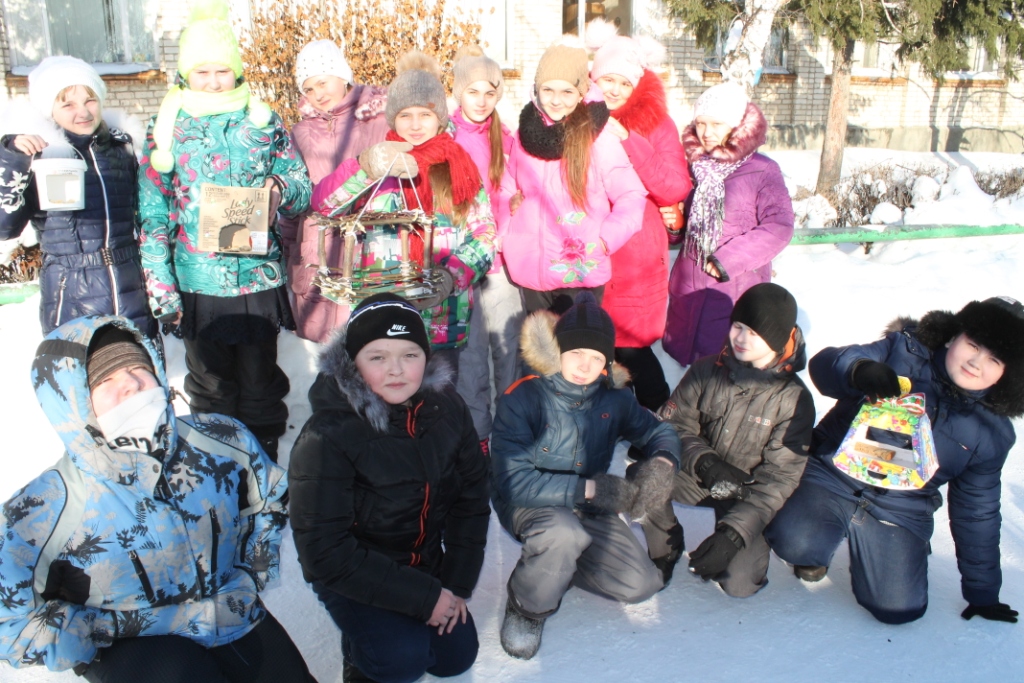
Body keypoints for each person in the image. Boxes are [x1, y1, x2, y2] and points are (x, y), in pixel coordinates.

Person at [0, 315, 315, 682]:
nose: (131, 385)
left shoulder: (222, 440)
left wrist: (251, 573)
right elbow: (11, 623)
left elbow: (268, 499)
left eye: (138, 368)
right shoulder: (43, 509)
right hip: (133, 645)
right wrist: (96, 630)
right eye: (104, 381)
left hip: (231, 613)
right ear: (72, 404)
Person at [765, 296, 1024, 625]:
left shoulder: (991, 432)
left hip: (901, 506)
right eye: (972, 345)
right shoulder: (903, 350)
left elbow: (977, 512)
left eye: (994, 360)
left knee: (900, 609)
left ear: (1005, 375)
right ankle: (814, 546)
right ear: (953, 336)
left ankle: (894, 548)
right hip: (832, 474)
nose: (976, 362)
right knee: (794, 540)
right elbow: (826, 364)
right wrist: (858, 370)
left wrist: (982, 592)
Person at [137, 0, 311, 461]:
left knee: (260, 385)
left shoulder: (263, 120)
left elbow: (301, 186)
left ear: (236, 71)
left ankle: (264, 468)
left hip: (257, 279)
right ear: (185, 74)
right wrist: (162, 291)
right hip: (199, 283)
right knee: (211, 388)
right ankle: (220, 469)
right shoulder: (167, 128)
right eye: (202, 72)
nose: (214, 81)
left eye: (222, 71)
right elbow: (153, 216)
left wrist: (278, 188)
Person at [288, 293, 490, 683]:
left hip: (423, 562)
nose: (396, 370)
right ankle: (358, 651)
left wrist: (454, 586)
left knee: (454, 658)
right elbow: (324, 552)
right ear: (352, 363)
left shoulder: (447, 410)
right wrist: (426, 599)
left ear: (426, 358)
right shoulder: (327, 435)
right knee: (399, 661)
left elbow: (471, 500)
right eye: (377, 357)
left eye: (409, 355)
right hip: (354, 571)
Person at [490, 291, 680, 660]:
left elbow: (659, 431)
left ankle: (556, 565)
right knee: (562, 534)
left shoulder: (614, 398)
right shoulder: (524, 397)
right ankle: (527, 606)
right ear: (558, 349)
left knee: (640, 584)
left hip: (587, 505)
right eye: (576, 352)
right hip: (531, 502)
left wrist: (663, 462)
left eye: (596, 357)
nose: (584, 365)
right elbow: (515, 482)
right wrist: (592, 489)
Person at [312, 51, 496, 365]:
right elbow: (325, 205)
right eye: (405, 115)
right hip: (381, 318)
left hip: (441, 319)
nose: (415, 125)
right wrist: (365, 168)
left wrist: (451, 276)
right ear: (393, 118)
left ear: (439, 117)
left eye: (425, 114)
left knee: (439, 393)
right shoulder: (378, 165)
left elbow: (484, 235)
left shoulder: (459, 167)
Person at [638, 283, 814, 597]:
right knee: (646, 474)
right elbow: (671, 426)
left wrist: (733, 535)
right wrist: (705, 461)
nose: (741, 338)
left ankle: (739, 542)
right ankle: (666, 546)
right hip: (699, 474)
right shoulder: (707, 369)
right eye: (738, 326)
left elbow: (779, 479)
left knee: (740, 585)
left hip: (748, 492)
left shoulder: (793, 400)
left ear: (776, 339)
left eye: (754, 333)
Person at [0, 56, 155, 337]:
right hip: (70, 292)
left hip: (131, 286)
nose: (83, 112)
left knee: (138, 361)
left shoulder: (123, 149)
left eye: (90, 100)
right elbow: (4, 227)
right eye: (68, 104)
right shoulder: (40, 156)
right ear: (49, 110)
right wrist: (13, 159)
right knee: (82, 362)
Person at [586, 19, 691, 411]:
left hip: (635, 254)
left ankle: (659, 421)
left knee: (631, 348)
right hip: (590, 249)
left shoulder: (656, 123)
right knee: (594, 349)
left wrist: (630, 140)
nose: (614, 90)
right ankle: (611, 424)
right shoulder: (578, 119)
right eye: (607, 79)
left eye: (624, 83)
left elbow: (674, 186)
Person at [498, 38, 646, 314]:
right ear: (537, 89)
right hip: (530, 271)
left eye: (567, 91)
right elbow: (507, 187)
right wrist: (506, 233)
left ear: (581, 93)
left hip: (579, 276)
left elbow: (632, 195)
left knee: (574, 343)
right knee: (538, 343)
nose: (556, 100)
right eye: (548, 90)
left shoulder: (598, 138)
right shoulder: (524, 135)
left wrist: (605, 240)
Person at [662, 83, 794, 368]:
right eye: (700, 123)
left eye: (716, 124)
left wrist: (727, 261)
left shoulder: (762, 169)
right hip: (688, 290)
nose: (706, 132)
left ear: (737, 126)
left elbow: (780, 226)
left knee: (724, 370)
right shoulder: (694, 167)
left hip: (733, 290)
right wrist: (675, 227)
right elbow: (688, 231)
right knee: (685, 373)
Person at [282, 39, 389, 343]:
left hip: (366, 251)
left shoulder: (377, 121)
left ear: (342, 76)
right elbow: (294, 203)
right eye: (308, 89)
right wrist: (290, 253)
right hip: (315, 254)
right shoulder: (300, 133)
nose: (318, 95)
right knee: (321, 353)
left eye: (322, 82)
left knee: (369, 344)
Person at [449, 44, 524, 452]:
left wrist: (508, 229)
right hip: (462, 263)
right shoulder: (446, 137)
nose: (481, 101)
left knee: (508, 350)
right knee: (471, 356)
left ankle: (511, 429)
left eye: (489, 93)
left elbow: (515, 193)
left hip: (500, 264)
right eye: (472, 91)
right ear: (458, 92)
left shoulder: (507, 138)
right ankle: (477, 434)